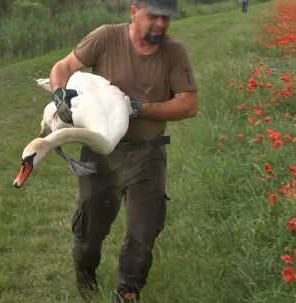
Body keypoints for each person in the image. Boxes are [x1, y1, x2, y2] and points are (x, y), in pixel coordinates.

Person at [48, 0, 198, 302]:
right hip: (101, 153)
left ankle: (127, 291)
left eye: (166, 18)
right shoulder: (105, 37)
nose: (160, 24)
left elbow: (188, 104)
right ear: (134, 10)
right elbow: (63, 67)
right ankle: (85, 272)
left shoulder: (174, 52)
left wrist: (143, 109)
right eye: (153, 16)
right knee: (90, 229)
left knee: (144, 232)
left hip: (147, 154)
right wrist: (59, 96)